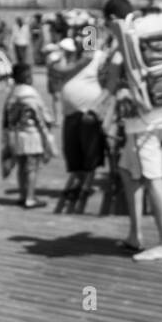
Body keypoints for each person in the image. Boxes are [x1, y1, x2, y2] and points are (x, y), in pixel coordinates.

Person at [103, 0, 162, 262]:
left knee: (152, 175)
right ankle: (135, 234)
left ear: (112, 19)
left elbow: (111, 85)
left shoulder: (125, 39)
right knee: (127, 169)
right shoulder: (148, 32)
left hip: (142, 119)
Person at [56, 36, 111, 211]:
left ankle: (85, 185)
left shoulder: (99, 57)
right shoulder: (68, 57)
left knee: (90, 151)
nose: (82, 42)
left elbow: (108, 81)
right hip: (70, 113)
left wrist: (100, 108)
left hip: (89, 112)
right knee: (72, 150)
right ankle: (79, 182)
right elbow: (58, 71)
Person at [1, 63, 54, 209]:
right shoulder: (30, 93)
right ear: (26, 76)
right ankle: (30, 198)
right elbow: (42, 114)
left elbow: (6, 118)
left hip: (16, 135)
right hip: (31, 135)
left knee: (22, 166)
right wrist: (49, 126)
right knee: (32, 168)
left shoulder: (13, 92)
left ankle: (23, 195)